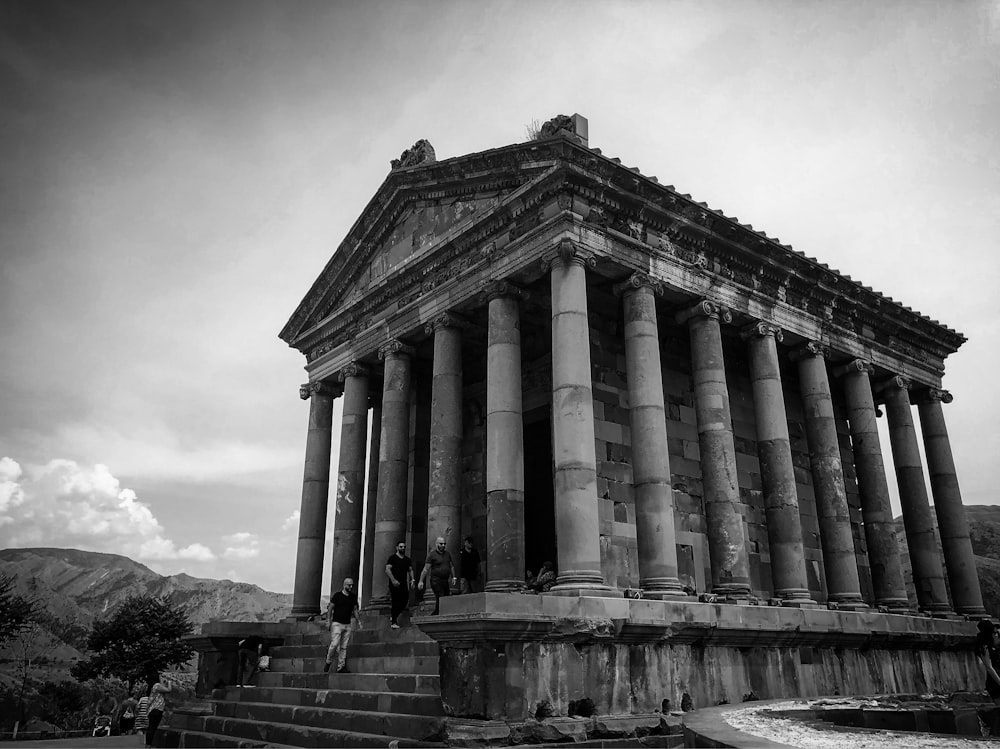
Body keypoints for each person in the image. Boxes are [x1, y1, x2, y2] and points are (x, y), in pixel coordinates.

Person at [324, 577, 360, 674]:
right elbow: (330, 608)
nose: (351, 587)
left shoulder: (353, 597)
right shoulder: (337, 596)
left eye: (352, 585)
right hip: (337, 623)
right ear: (344, 585)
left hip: (347, 624)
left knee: (343, 647)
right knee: (335, 644)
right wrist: (328, 620)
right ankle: (328, 661)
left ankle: (341, 667)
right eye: (349, 585)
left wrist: (358, 621)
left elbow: (355, 609)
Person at [418, 536, 456, 615]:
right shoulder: (432, 555)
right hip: (436, 580)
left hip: (445, 580)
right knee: (440, 596)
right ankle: (438, 614)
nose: (443, 546)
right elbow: (426, 569)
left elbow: (451, 566)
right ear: (437, 544)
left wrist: (454, 577)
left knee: (446, 596)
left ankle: (438, 613)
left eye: (444, 544)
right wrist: (421, 581)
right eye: (441, 544)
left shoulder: (447, 554)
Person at [976, 619, 1000, 734]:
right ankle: (993, 731)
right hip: (995, 680)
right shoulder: (984, 646)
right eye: (994, 632)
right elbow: (989, 667)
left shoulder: (993, 644)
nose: (996, 634)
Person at [385, 541, 414, 629]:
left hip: (403, 583)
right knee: (395, 601)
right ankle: (394, 621)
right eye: (401, 547)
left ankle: (394, 615)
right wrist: (393, 580)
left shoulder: (407, 560)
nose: (403, 548)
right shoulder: (392, 558)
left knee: (405, 600)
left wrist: (412, 579)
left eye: (404, 547)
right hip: (394, 584)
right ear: (397, 547)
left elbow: (410, 570)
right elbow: (388, 570)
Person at [144, 675, 171, 749]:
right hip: (156, 709)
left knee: (152, 728)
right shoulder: (157, 685)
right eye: (161, 677)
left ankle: (148, 744)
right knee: (152, 728)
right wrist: (169, 682)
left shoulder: (156, 686)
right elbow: (169, 690)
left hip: (155, 709)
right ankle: (148, 745)